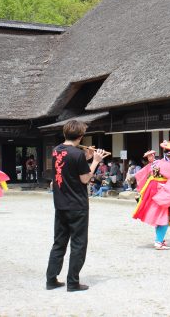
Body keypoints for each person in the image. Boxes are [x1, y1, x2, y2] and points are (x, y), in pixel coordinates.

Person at [46, 120, 108, 292]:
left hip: (60, 204)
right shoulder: (76, 154)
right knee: (78, 244)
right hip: (77, 205)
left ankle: (51, 279)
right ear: (80, 136)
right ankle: (72, 282)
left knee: (59, 243)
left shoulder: (56, 150)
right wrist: (95, 161)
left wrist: (86, 158)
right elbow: (85, 179)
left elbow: (69, 167)